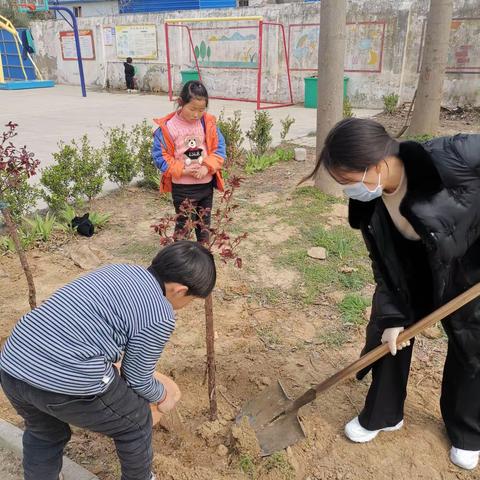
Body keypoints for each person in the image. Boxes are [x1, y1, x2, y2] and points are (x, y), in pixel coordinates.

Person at [304, 118, 480, 470]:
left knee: (471, 343)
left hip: (467, 266)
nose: (348, 192)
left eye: (350, 182)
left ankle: (467, 432)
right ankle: (384, 413)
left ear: (379, 165)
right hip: (413, 271)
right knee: (388, 335)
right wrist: (392, 313)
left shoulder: (453, 156)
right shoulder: (369, 203)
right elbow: (382, 261)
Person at [0, 241, 216, 480]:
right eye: (191, 300)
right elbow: (137, 379)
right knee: (135, 423)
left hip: (13, 364)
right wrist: (163, 397)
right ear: (180, 290)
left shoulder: (121, 270)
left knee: (45, 432)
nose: (186, 307)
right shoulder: (159, 314)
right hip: (63, 378)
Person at [152, 80, 225, 242]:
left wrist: (207, 167)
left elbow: (219, 150)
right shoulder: (168, 128)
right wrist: (183, 170)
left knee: (204, 225)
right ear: (180, 103)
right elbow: (160, 157)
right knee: (183, 226)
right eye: (192, 109)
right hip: (183, 188)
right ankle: (178, 258)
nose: (196, 114)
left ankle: (203, 255)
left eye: (201, 110)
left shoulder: (208, 123)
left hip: (206, 185)